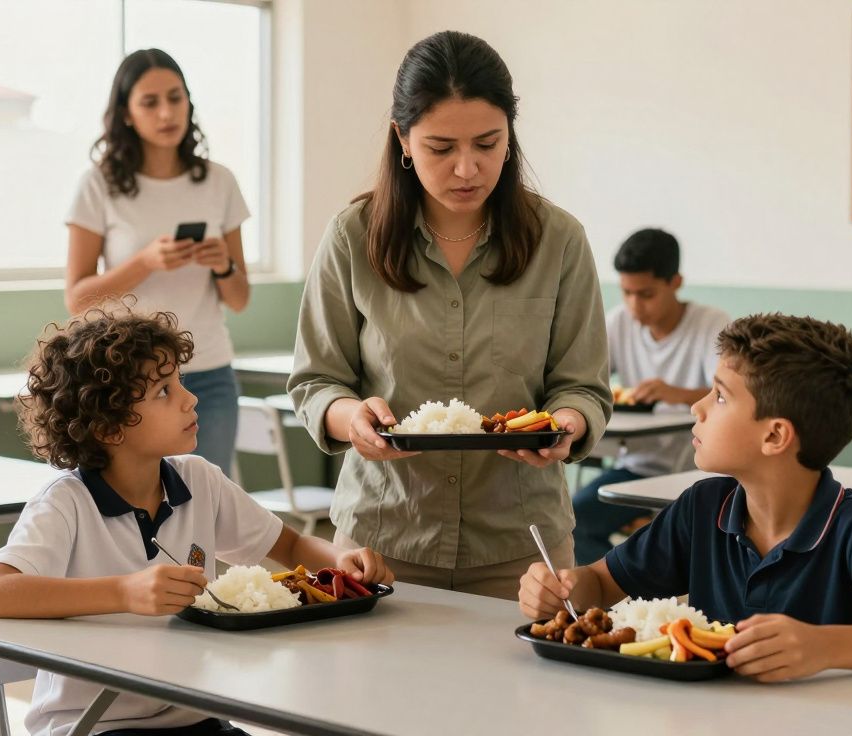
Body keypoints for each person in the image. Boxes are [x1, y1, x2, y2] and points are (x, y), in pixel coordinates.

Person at [288, 30, 612, 598]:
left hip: (522, 546)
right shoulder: (352, 236)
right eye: (441, 148)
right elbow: (316, 380)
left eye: (488, 143)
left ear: (510, 135)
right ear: (403, 139)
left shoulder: (559, 239)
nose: (467, 169)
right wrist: (351, 418)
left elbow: (582, 386)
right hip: (382, 540)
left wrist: (566, 426)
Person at [0, 309, 393, 736]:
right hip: (93, 725)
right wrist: (124, 592)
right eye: (163, 392)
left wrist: (341, 559)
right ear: (108, 427)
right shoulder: (66, 503)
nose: (189, 399)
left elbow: (293, 546)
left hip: (194, 718)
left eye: (180, 382)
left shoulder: (199, 479)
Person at [520, 314, 852, 681]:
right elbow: (601, 584)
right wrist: (563, 590)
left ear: (775, 436)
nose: (698, 407)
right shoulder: (704, 507)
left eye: (720, 397)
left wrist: (823, 646)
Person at [64, 48, 252, 473]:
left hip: (209, 373)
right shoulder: (98, 185)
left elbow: (240, 300)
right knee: (134, 506)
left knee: (205, 500)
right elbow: (77, 300)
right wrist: (145, 262)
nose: (166, 112)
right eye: (150, 102)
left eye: (175, 97)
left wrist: (222, 265)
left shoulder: (219, 181)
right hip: (129, 380)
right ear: (126, 114)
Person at [571, 227, 730, 564]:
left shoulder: (711, 324)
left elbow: (729, 397)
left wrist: (676, 393)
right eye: (626, 293)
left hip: (701, 472)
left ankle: (646, 581)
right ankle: (626, 586)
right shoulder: (618, 323)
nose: (634, 306)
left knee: (695, 542)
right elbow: (584, 379)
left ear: (675, 282)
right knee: (574, 522)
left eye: (646, 294)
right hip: (636, 469)